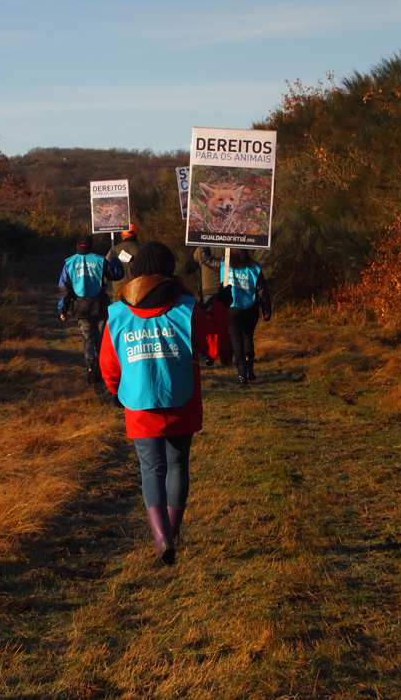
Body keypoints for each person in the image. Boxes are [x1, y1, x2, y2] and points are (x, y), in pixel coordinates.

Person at [100, 242, 231, 566]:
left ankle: (161, 540)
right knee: (176, 466)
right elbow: (215, 349)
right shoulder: (186, 307)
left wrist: (118, 393)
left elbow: (109, 366)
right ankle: (173, 533)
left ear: (135, 272)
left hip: (138, 403)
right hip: (180, 400)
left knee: (151, 470)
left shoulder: (117, 314)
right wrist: (223, 309)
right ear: (170, 271)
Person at [58, 234, 124, 389]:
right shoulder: (100, 260)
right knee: (101, 340)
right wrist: (114, 259)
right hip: (100, 305)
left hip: (81, 307)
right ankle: (102, 368)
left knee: (88, 339)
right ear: (91, 245)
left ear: (77, 245)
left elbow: (64, 289)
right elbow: (117, 274)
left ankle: (90, 366)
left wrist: (63, 309)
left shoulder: (69, 262)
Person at [219, 247, 272, 386]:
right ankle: (250, 370)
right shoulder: (254, 268)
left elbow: (206, 260)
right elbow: (262, 290)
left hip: (233, 307)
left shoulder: (225, 265)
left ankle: (242, 375)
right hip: (251, 308)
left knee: (237, 342)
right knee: (248, 337)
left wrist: (203, 244)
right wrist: (267, 311)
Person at [183, 246, 229, 365]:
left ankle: (210, 354)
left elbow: (189, 268)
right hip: (227, 290)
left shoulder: (202, 249)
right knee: (227, 322)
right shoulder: (229, 247)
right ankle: (227, 356)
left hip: (208, 292)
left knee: (206, 325)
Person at [106, 223, 140, 300]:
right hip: (139, 293)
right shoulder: (143, 249)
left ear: (122, 235)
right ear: (136, 235)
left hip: (119, 293)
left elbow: (105, 268)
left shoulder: (114, 249)